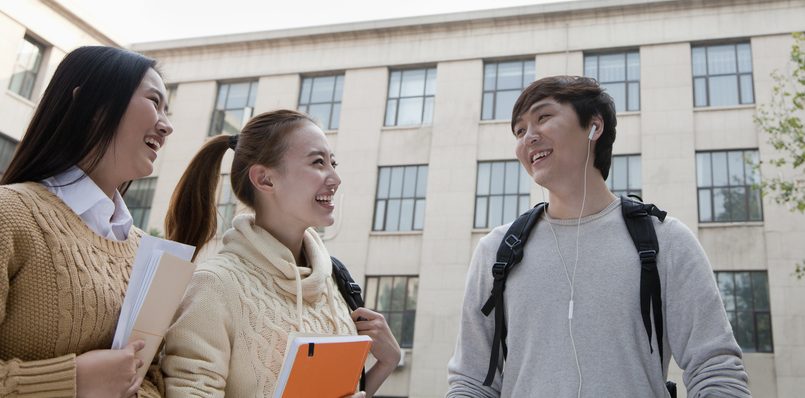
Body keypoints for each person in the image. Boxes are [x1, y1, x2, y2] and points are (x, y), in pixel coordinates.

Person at [446, 76, 752, 397]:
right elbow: (470, 380)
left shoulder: (666, 241)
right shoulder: (496, 251)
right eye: (520, 131)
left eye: (543, 118)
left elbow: (716, 371)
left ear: (594, 126)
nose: (528, 138)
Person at [161, 109, 401, 398]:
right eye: (318, 163)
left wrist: (387, 363)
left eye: (333, 163)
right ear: (265, 179)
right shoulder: (214, 285)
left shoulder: (334, 280)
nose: (335, 178)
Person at [0, 45, 174, 398]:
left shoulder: (142, 249)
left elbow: (151, 379)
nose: (167, 126)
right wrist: (71, 381)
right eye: (154, 102)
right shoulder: (2, 215)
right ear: (95, 107)